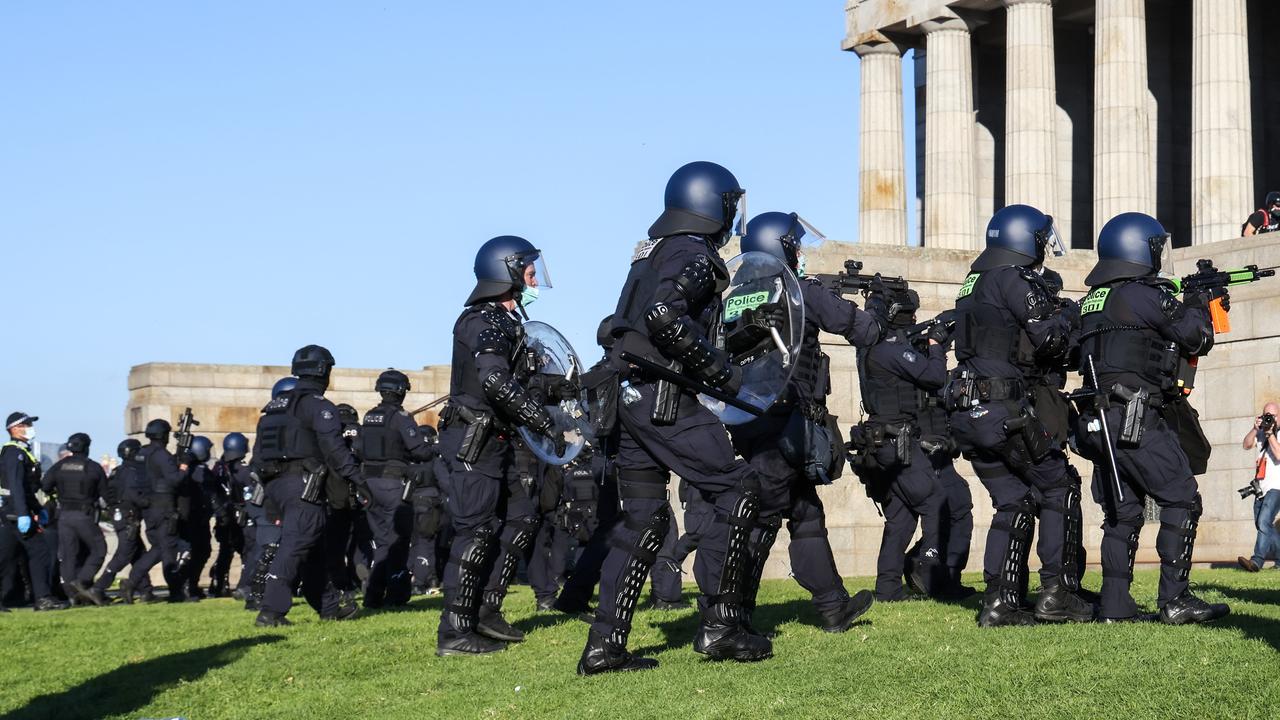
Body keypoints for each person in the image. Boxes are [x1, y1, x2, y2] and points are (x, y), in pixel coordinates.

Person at [581, 161, 770, 675]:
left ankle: (604, 647)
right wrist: (721, 374)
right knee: (739, 490)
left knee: (644, 520)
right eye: (729, 203)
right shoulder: (695, 254)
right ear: (710, 204)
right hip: (666, 401)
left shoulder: (653, 251)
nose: (732, 215)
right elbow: (665, 316)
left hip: (628, 400)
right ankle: (722, 626)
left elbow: (645, 321)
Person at [726, 210, 883, 629]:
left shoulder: (735, 294)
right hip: (784, 420)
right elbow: (860, 329)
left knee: (805, 512)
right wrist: (877, 311)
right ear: (780, 246)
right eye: (794, 245)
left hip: (747, 419)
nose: (800, 254)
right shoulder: (798, 289)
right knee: (762, 517)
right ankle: (731, 617)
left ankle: (833, 606)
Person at [1076, 211, 1229, 624]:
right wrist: (1200, 302)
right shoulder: (1144, 294)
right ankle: (1175, 599)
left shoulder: (1094, 299)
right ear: (1139, 248)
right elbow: (1197, 336)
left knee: (1123, 513)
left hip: (1099, 419)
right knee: (1181, 497)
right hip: (1134, 416)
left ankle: (1114, 605)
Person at [948, 204, 1093, 626]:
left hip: (968, 411)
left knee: (1012, 500)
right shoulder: (1013, 278)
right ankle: (1057, 593)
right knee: (1058, 486)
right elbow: (1048, 340)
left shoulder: (973, 281)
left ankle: (1000, 602)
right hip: (1004, 411)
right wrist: (1067, 313)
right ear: (1024, 239)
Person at [436, 234, 562, 656]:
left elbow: (524, 378)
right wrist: (539, 417)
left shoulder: (509, 320)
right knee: (476, 532)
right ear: (505, 270)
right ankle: (454, 631)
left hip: (500, 439)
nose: (534, 277)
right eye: (527, 269)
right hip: (474, 440)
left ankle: (486, 609)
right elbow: (494, 381)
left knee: (522, 518)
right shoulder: (482, 320)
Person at [849, 288, 950, 603]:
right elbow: (934, 378)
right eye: (909, 314)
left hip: (881, 441)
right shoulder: (888, 349)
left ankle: (888, 589)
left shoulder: (871, 348)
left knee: (902, 516)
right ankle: (929, 566)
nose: (915, 319)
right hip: (896, 439)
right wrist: (935, 346)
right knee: (934, 501)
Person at [252, 345, 364, 626]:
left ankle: (328, 606)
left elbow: (256, 456)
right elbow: (335, 451)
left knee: (312, 546)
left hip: (275, 485)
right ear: (324, 371)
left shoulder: (274, 409)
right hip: (304, 485)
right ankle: (272, 611)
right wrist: (358, 481)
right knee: (295, 546)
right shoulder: (318, 406)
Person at [360, 369, 436, 609]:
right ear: (402, 392)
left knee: (382, 541)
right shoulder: (401, 418)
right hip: (392, 485)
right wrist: (435, 447)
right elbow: (420, 452)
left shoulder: (370, 417)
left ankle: (372, 596)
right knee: (399, 541)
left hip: (369, 485)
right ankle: (396, 595)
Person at [1, 413, 66, 611]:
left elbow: (27, 489)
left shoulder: (21, 451)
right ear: (14, 429)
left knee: (7, 557)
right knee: (40, 553)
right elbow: (16, 486)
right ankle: (43, 598)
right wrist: (23, 514)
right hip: (15, 510)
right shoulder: (15, 453)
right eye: (26, 424)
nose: (30, 427)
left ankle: (10, 597)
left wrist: (37, 509)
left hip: (15, 509)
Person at [123, 419, 192, 604]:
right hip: (164, 508)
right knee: (168, 551)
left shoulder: (141, 454)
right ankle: (176, 592)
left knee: (158, 550)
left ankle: (131, 582)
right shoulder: (162, 455)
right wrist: (184, 466)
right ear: (163, 436)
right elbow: (175, 479)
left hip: (149, 508)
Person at [41, 432, 109, 606]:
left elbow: (45, 485)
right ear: (86, 447)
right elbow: (106, 493)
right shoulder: (93, 467)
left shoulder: (59, 466)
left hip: (64, 516)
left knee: (69, 556)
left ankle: (72, 595)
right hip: (84, 516)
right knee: (99, 549)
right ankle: (83, 581)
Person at [94, 439, 153, 601]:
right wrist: (148, 502)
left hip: (119, 514)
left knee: (139, 553)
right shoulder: (134, 471)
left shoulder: (117, 471)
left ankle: (146, 590)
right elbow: (132, 494)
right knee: (125, 553)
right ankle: (99, 587)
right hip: (129, 516)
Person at [1237, 404, 1280, 572]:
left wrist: (1270, 434)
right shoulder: (1261, 433)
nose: (1270, 418)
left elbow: (1278, 455)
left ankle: (1256, 561)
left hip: (1277, 488)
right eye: (1267, 415)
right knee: (1262, 524)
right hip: (1260, 488)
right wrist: (1255, 429)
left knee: (1263, 522)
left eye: (1274, 416)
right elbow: (1246, 445)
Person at [209, 432, 250, 597]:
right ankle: (243, 584)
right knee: (245, 551)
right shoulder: (239, 470)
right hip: (235, 515)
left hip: (224, 516)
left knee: (226, 551)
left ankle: (219, 583)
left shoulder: (219, 468)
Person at [408, 425, 446, 596]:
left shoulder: (408, 458)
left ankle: (421, 576)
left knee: (415, 542)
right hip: (429, 503)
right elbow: (445, 482)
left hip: (409, 503)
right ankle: (421, 581)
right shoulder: (434, 460)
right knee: (427, 543)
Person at [181, 436, 215, 600]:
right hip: (196, 517)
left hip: (198, 516)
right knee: (198, 552)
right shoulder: (200, 472)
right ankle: (189, 585)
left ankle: (191, 584)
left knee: (201, 551)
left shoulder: (192, 470)